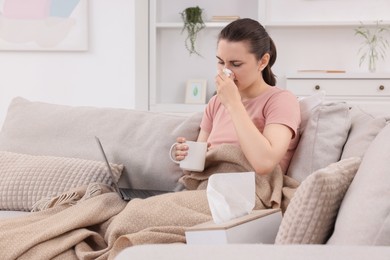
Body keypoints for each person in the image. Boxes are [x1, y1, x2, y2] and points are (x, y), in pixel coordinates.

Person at [173, 18, 301, 175]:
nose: (225, 72)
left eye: (236, 64)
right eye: (220, 62)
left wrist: (233, 103)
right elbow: (196, 169)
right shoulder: (215, 103)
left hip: (250, 190)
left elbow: (264, 164)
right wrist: (186, 157)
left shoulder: (281, 100)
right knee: (139, 199)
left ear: (263, 62)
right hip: (208, 186)